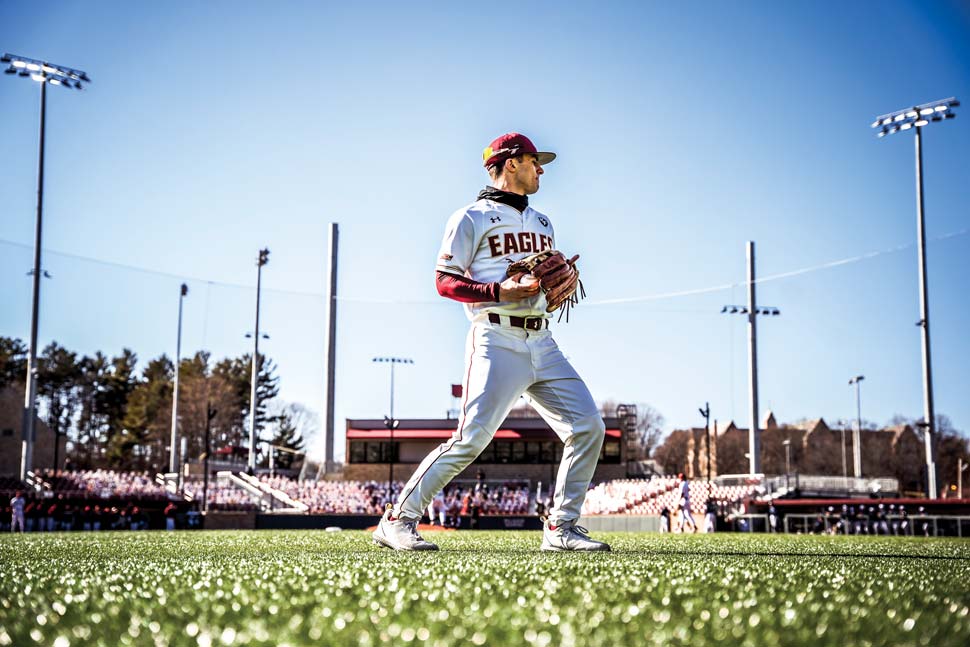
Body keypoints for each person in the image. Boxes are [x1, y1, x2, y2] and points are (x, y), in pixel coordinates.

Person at [373, 132, 609, 552]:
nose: (541, 169)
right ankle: (397, 519)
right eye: (536, 161)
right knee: (472, 438)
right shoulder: (470, 217)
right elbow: (444, 281)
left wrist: (557, 286)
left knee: (588, 425)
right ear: (512, 162)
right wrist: (498, 292)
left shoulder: (542, 222)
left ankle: (561, 528)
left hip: (543, 340)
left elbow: (538, 280)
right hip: (496, 338)